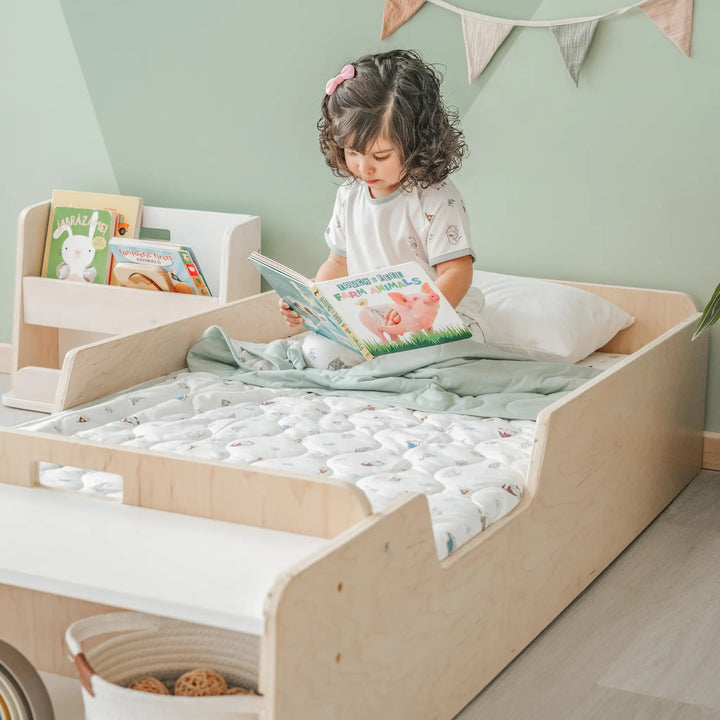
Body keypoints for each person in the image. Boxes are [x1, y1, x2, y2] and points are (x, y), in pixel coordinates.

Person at [280, 49, 484, 369]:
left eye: (381, 156)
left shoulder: (435, 199)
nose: (365, 168)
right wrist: (315, 303)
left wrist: (419, 314)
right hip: (373, 319)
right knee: (316, 353)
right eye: (353, 153)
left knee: (432, 360)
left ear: (417, 143)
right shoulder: (350, 195)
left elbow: (457, 272)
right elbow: (337, 262)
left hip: (439, 317)